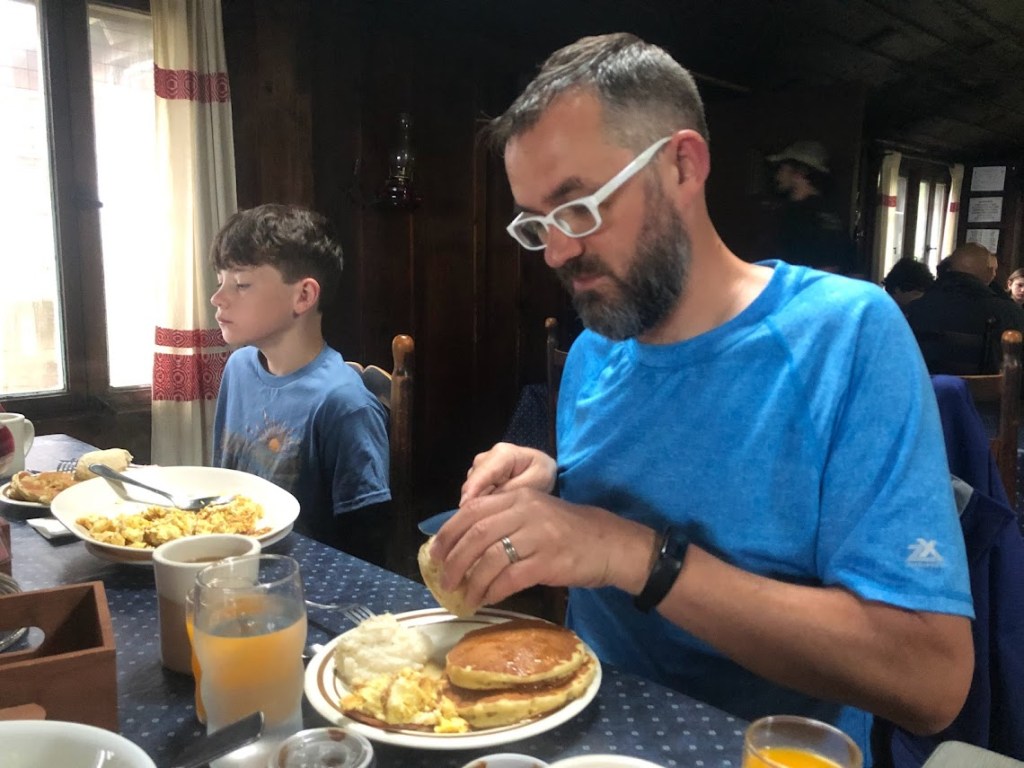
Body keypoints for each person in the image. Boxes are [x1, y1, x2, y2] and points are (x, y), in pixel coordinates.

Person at [429, 33, 973, 762]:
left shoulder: (845, 334)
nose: (556, 252)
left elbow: (931, 679)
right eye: (537, 225)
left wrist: (630, 552)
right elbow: (652, 484)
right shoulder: (594, 351)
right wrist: (555, 485)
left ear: (683, 166)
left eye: (578, 208)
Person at [210, 204, 392, 564]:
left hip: (303, 580)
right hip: (234, 563)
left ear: (304, 296)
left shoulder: (344, 403)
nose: (218, 298)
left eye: (241, 284)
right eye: (220, 281)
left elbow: (366, 551)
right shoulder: (238, 368)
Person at [905, 242, 1024, 374]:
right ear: (990, 272)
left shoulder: (914, 308)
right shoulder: (1010, 313)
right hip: (985, 387)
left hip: (922, 385)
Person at [765, 139, 857, 274]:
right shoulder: (832, 213)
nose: (778, 175)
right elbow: (853, 268)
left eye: (782, 168)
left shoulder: (797, 214)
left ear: (799, 172)